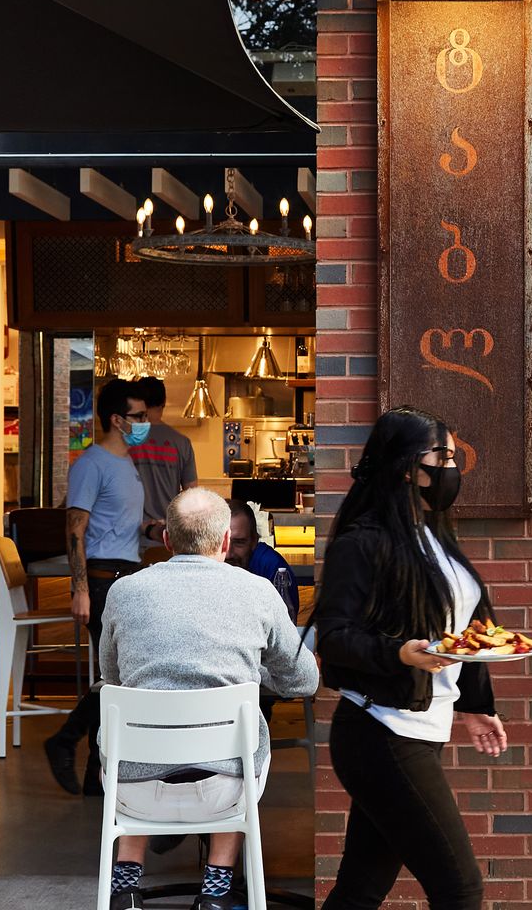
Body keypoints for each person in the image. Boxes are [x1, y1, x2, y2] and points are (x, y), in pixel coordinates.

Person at [317, 407, 507, 910]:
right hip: (380, 732)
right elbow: (333, 638)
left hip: (421, 730)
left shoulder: (434, 534)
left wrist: (474, 705)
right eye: (441, 456)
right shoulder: (364, 543)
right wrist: (398, 654)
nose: (451, 467)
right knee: (460, 890)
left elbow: (465, 632)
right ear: (406, 466)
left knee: (360, 889)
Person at [97, 487, 318, 910]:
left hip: (134, 788)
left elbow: (112, 676)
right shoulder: (258, 591)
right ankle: (215, 890)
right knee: (243, 740)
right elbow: (303, 682)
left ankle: (125, 884)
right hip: (225, 790)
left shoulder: (123, 593)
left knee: (134, 727)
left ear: (166, 540)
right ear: (223, 542)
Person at [45, 380, 169, 797]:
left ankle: (94, 773)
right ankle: (66, 740)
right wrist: (78, 588)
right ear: (117, 420)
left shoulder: (126, 464)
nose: (145, 423)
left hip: (125, 575)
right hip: (101, 580)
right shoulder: (92, 463)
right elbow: (74, 529)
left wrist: (153, 528)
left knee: (114, 677)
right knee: (116, 679)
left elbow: (120, 525)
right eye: (137, 417)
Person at [130, 377, 200, 551]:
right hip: (168, 537)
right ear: (163, 403)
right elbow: (192, 494)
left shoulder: (127, 440)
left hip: (131, 536)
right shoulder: (181, 442)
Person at [227, 499, 300, 623]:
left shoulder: (272, 567)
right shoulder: (203, 564)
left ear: (254, 541)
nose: (228, 553)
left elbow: (286, 626)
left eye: (239, 543)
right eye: (221, 542)